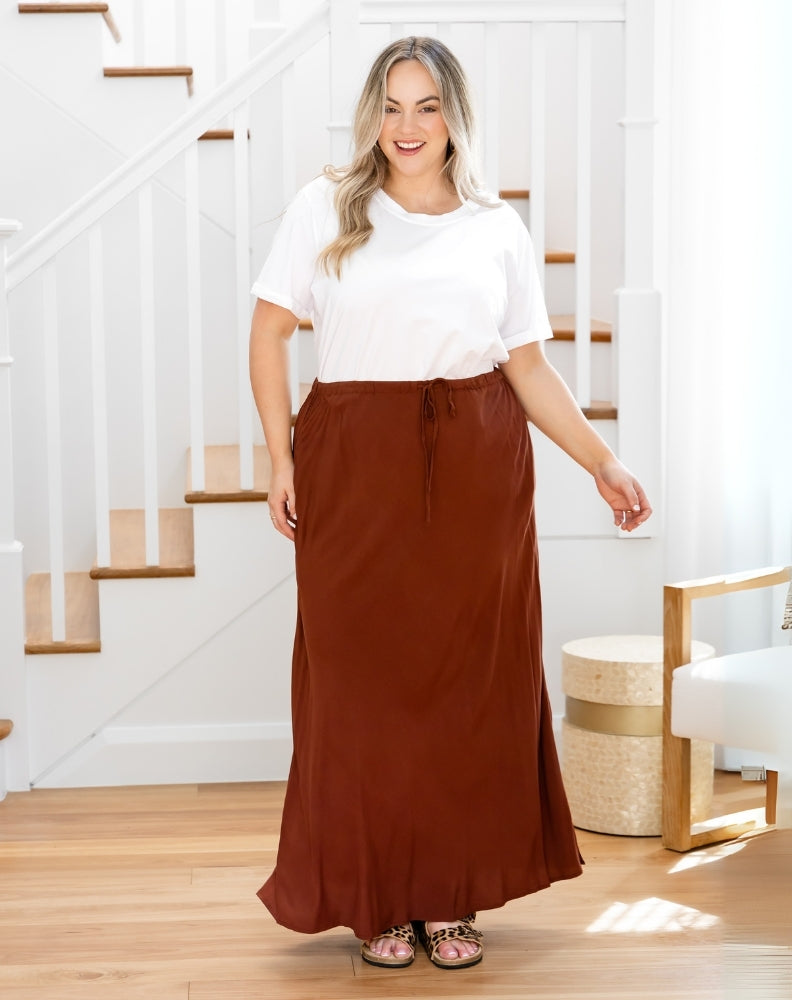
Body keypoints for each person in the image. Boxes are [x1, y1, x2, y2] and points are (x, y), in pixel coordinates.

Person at [248, 35, 652, 971]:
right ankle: (378, 894)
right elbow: (270, 333)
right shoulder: (325, 207)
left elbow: (525, 363)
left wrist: (602, 460)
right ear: (371, 115)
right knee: (361, 689)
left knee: (471, 689)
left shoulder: (493, 227)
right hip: (353, 458)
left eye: (427, 106)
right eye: (391, 106)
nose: (406, 126)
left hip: (476, 465)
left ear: (455, 116)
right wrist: (281, 457)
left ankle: (450, 895)